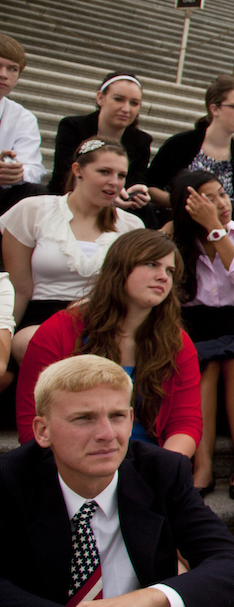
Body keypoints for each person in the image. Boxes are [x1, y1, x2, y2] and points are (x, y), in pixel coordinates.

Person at [0, 354, 234, 607]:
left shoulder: (161, 471)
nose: (107, 434)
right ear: (43, 431)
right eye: (83, 418)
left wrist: (146, 599)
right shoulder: (8, 479)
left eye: (117, 416)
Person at [16, 228, 202, 462]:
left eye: (170, 270)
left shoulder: (178, 343)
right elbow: (30, 418)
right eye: (151, 264)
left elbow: (185, 422)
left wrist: (163, 468)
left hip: (147, 466)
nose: (164, 276)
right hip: (70, 465)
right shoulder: (60, 330)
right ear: (120, 268)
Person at [1, 137, 145, 390]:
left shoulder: (131, 226)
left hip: (102, 318)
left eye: (121, 175)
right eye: (104, 171)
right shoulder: (33, 210)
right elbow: (19, 288)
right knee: (36, 341)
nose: (114, 182)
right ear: (78, 170)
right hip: (42, 317)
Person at [170, 170, 234, 498]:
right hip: (193, 324)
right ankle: (203, 464)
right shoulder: (177, 240)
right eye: (207, 199)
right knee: (206, 366)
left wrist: (215, 230)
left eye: (222, 195)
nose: (220, 204)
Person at [47, 70, 154, 224]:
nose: (126, 109)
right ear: (100, 98)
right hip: (69, 196)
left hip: (117, 205)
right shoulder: (72, 126)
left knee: (145, 210)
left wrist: (136, 191)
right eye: (118, 99)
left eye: (134, 103)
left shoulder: (141, 140)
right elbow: (63, 174)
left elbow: (137, 177)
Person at [145, 76, 234, 221]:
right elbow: (151, 186)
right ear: (214, 109)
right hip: (177, 221)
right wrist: (182, 204)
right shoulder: (179, 144)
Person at [0, 31, 47, 217]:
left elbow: (33, 168)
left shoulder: (23, 117)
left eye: (12, 69)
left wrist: (16, 172)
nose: (3, 75)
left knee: (36, 192)